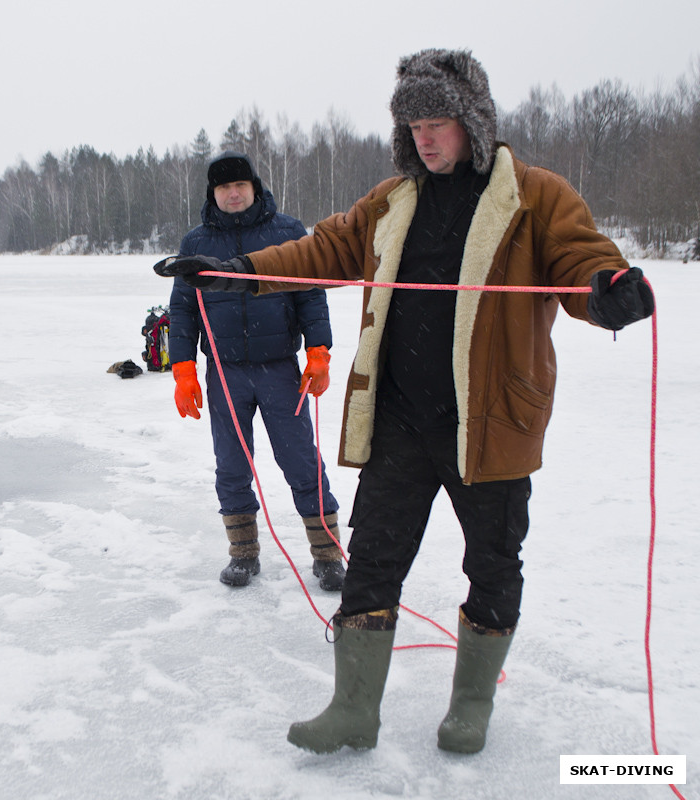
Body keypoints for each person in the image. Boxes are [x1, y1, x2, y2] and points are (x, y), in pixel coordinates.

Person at [157, 51, 655, 754]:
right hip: (401, 423)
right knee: (373, 561)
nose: (425, 137)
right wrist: (238, 273)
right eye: (414, 124)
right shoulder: (395, 198)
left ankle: (472, 705)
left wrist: (607, 290)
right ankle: (353, 708)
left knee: (492, 560)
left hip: (490, 425)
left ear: (472, 123)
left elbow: (581, 259)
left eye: (438, 122)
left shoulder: (535, 196)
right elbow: (325, 248)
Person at [166, 151, 344, 591]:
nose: (232, 193)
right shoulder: (196, 242)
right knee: (231, 464)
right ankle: (243, 554)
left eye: (239, 185)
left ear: (254, 186)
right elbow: (183, 310)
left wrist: (319, 351)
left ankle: (327, 556)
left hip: (279, 368)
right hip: (224, 372)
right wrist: (184, 367)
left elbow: (310, 294)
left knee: (301, 460)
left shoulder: (285, 231)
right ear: (213, 193)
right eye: (223, 188)